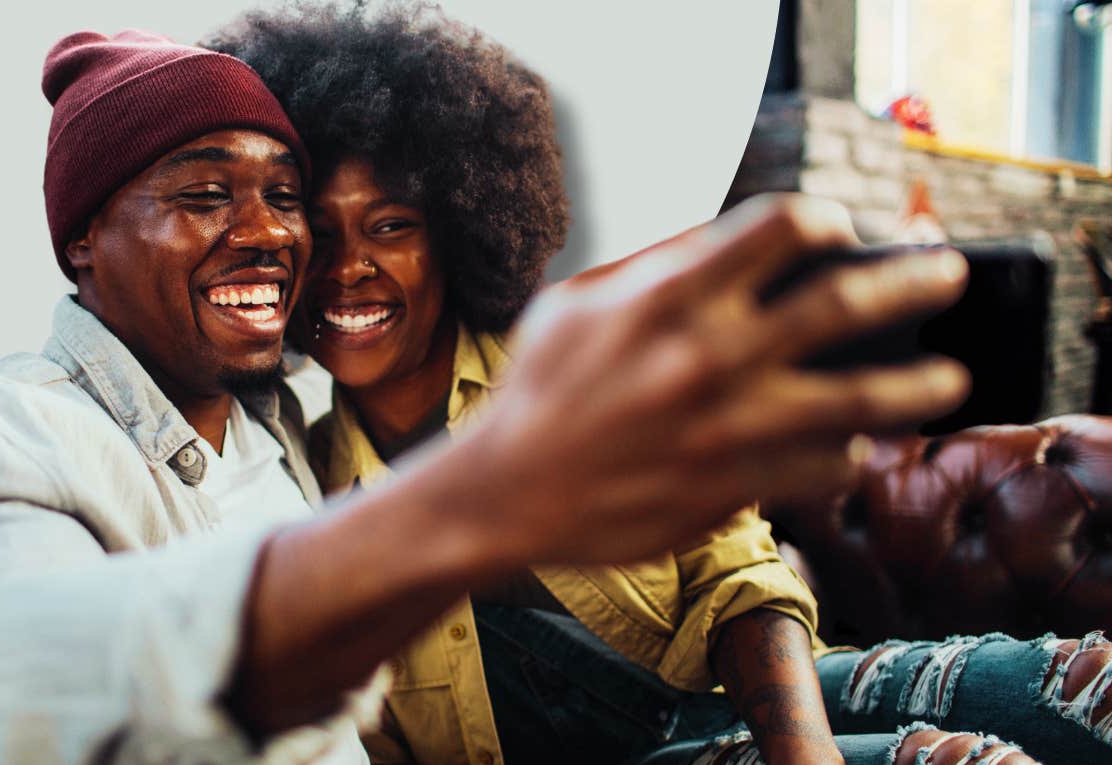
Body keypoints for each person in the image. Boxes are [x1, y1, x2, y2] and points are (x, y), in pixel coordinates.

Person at [0, 27, 978, 765]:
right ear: (80, 242)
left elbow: (728, 561)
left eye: (281, 196)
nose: (270, 235)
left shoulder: (284, 435)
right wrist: (465, 506)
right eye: (206, 193)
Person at [213, 4, 1112, 765]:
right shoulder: (302, 491)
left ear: (456, 226)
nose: (348, 270)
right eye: (318, 236)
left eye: (391, 224)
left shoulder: (577, 368)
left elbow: (738, 565)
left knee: (1084, 683)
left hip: (752, 697)